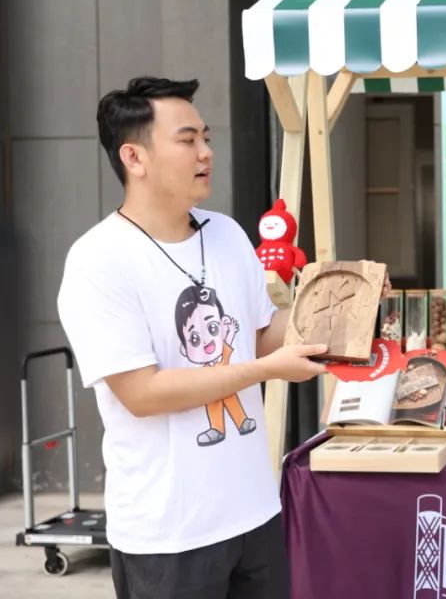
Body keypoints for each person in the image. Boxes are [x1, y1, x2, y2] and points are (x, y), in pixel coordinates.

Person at [57, 77, 352, 599]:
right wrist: (266, 371)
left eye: (206, 138)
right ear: (134, 157)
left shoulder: (227, 234)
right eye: (187, 139)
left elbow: (261, 334)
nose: (206, 152)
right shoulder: (98, 260)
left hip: (254, 512)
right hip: (168, 534)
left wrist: (346, 302)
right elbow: (142, 394)